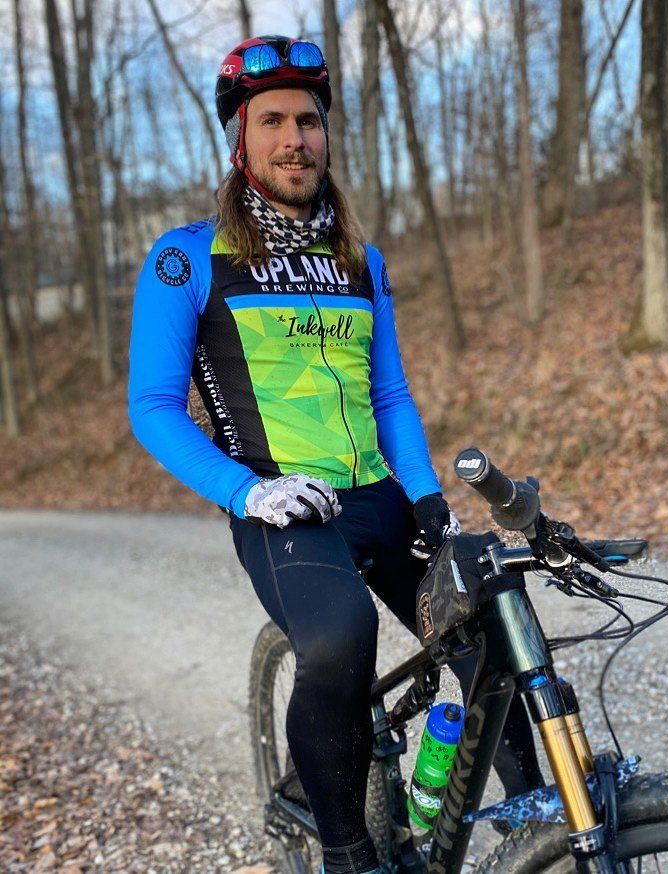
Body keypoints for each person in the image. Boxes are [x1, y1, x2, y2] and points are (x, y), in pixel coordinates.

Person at [128, 35, 544, 874]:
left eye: (309, 121)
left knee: (489, 634)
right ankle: (348, 854)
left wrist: (427, 498)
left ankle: (534, 830)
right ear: (240, 141)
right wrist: (248, 493)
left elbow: (388, 398)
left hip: (378, 497)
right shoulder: (185, 258)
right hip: (285, 512)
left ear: (326, 134)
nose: (294, 138)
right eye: (272, 121)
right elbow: (153, 410)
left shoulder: (361, 260)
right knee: (338, 640)